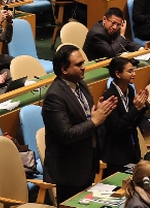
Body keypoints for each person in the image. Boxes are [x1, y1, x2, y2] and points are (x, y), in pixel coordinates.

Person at [43, 44, 116, 202]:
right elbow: (66, 134)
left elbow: (85, 115)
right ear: (64, 69)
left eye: (83, 63)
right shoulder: (54, 97)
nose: (84, 67)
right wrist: (94, 121)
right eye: (78, 65)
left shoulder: (80, 84)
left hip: (87, 161)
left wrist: (98, 111)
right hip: (69, 170)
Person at [100, 58, 150, 175]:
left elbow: (133, 123)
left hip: (132, 150)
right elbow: (116, 128)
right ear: (118, 74)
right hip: (116, 156)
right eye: (130, 71)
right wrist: (135, 109)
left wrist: (141, 107)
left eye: (133, 70)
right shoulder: (109, 97)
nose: (134, 74)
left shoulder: (130, 91)